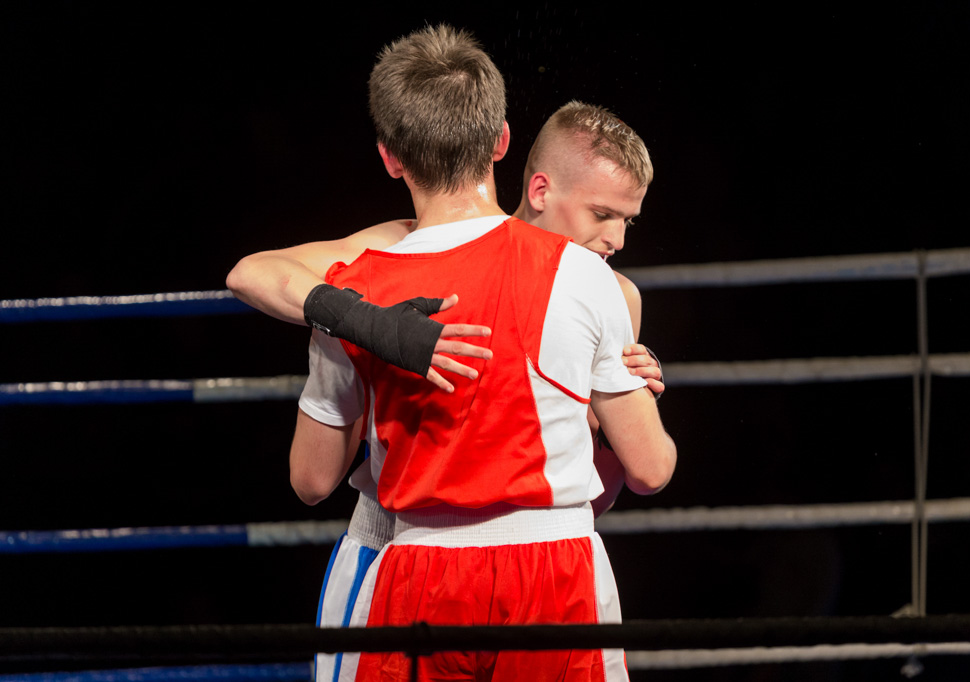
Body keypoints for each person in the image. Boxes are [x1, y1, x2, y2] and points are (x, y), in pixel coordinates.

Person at [282, 25, 675, 681]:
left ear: (390, 157)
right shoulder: (585, 279)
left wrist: (342, 315)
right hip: (544, 566)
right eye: (605, 215)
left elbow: (310, 480)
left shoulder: (358, 280)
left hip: (417, 567)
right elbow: (651, 468)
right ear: (501, 142)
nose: (617, 238)